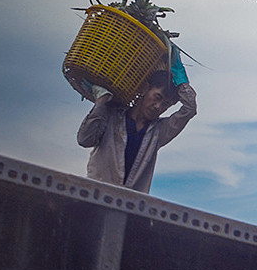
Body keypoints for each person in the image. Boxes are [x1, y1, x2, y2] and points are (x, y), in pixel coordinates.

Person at [76, 47, 197, 192]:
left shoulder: (159, 132)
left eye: (166, 104)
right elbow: (84, 140)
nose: (158, 107)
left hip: (129, 207)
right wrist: (101, 102)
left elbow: (189, 109)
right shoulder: (112, 115)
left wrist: (180, 78)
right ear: (146, 89)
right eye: (157, 97)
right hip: (95, 197)